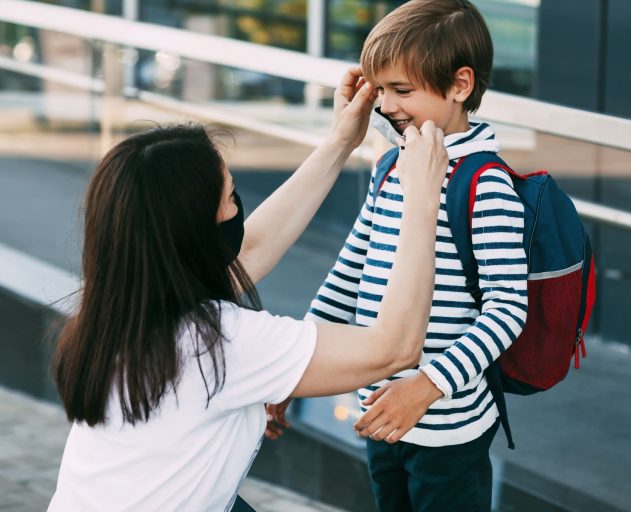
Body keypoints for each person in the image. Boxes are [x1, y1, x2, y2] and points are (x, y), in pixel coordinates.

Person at [47, 67, 449, 511]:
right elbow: (393, 347)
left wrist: (340, 143)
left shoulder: (122, 307)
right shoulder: (215, 342)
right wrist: (422, 198)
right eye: (232, 197)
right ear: (196, 233)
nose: (239, 209)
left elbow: (249, 249)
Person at [305, 1, 529, 510]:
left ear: (461, 85)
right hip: (380, 413)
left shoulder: (485, 185)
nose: (385, 106)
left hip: (448, 430)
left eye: (401, 90)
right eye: (379, 89)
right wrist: (295, 367)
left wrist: (426, 386)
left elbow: (508, 308)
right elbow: (348, 275)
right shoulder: (390, 169)